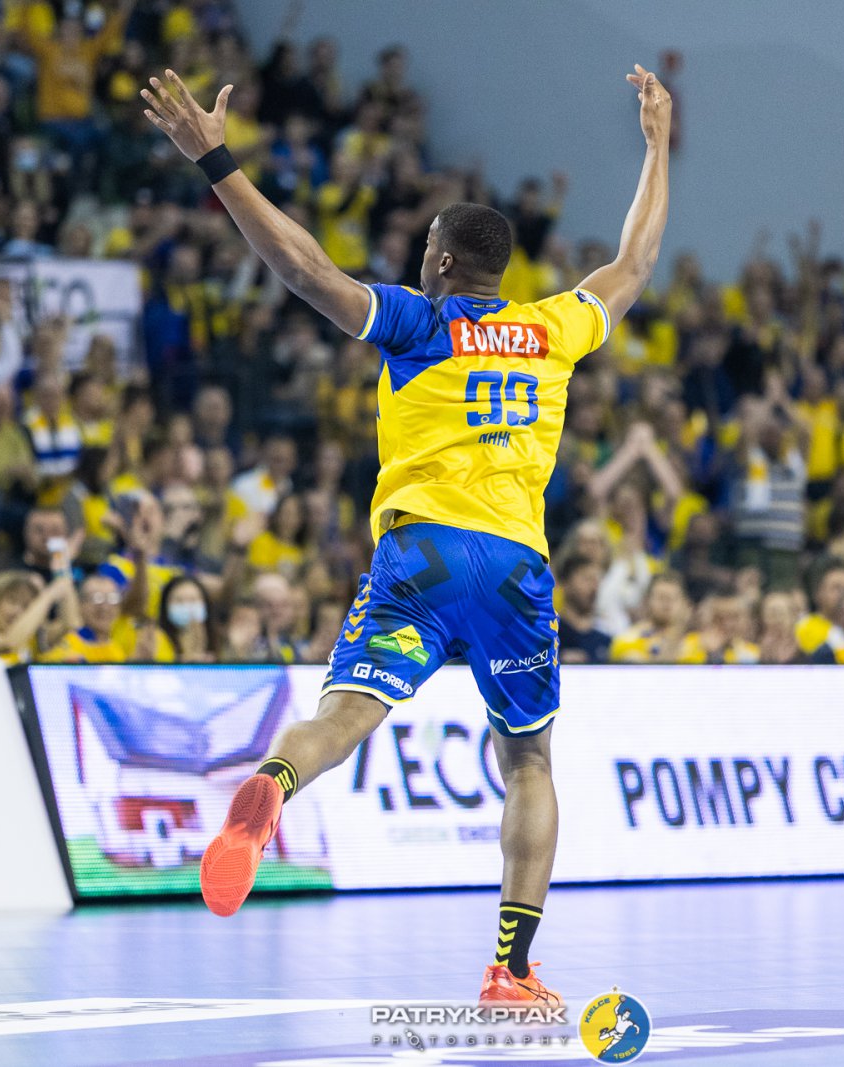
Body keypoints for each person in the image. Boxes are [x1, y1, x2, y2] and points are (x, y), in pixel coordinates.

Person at [141, 60, 671, 1004]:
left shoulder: (416, 321)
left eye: (427, 244)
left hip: (420, 552)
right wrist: (658, 144)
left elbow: (304, 269)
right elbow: (634, 263)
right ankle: (511, 967)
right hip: (513, 564)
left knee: (345, 716)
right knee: (529, 759)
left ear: (443, 262)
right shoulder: (553, 329)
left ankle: (273, 785)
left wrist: (216, 161)